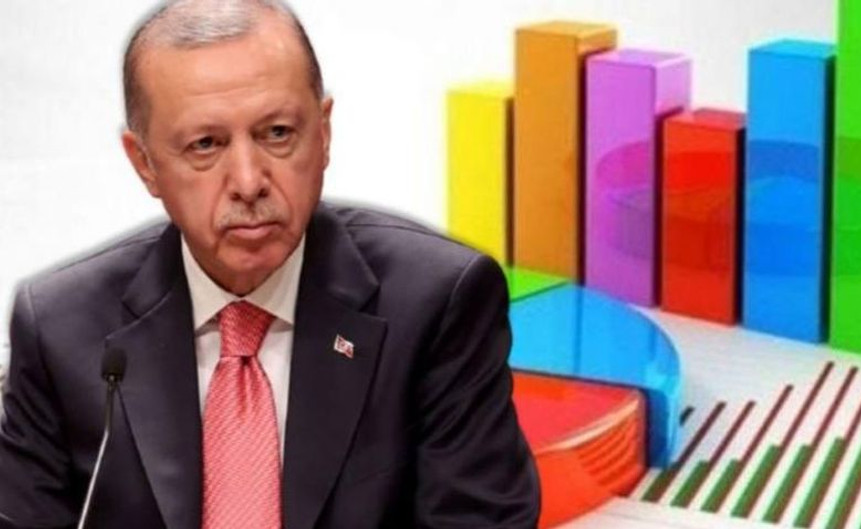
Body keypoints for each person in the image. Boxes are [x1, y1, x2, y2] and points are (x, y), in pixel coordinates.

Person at [0, 1, 540, 527]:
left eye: (277, 133)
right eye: (206, 144)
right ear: (145, 164)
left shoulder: (435, 306)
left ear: (323, 133)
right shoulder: (59, 332)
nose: (248, 180)